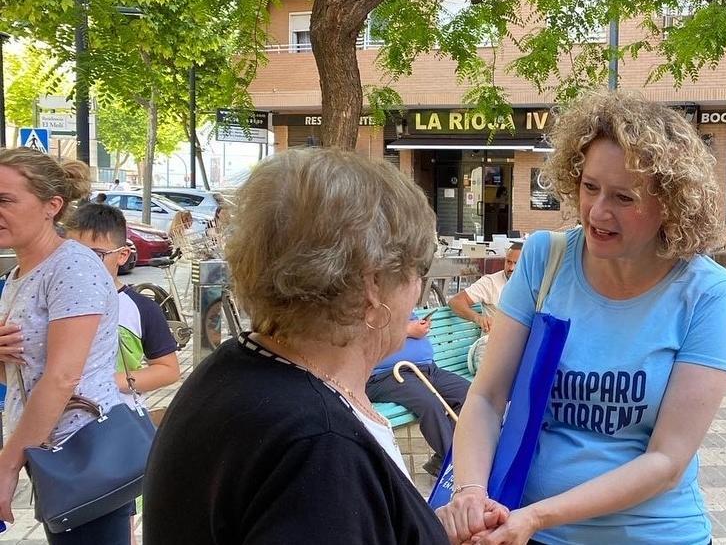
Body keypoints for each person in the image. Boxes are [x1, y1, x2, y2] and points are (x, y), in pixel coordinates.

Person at [437, 92, 726, 544]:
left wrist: (538, 517)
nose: (599, 212)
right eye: (590, 186)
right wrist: (471, 491)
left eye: (624, 197)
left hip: (649, 534)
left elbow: (667, 461)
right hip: (523, 528)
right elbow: (486, 397)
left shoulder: (705, 291)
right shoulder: (545, 258)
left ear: (672, 204)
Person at [144, 149, 473, 543]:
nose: (419, 288)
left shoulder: (235, 368)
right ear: (372, 287)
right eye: (419, 270)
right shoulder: (320, 448)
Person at [0, 149, 128, 543]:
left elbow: (62, 377)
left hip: (85, 453)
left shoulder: (72, 267)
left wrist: (6, 467)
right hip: (48, 451)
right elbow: (18, 372)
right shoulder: (21, 273)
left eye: (5, 200)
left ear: (51, 206)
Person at [64, 204, 181, 404]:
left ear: (122, 255)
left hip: (118, 421)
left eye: (96, 255)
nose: (82, 264)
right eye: (73, 254)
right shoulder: (51, 303)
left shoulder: (142, 308)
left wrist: (107, 382)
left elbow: (168, 370)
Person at [366, 314, 471, 477]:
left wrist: (420, 325)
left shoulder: (401, 302)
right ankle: (456, 468)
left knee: (470, 395)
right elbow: (362, 336)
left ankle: (443, 458)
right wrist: (407, 330)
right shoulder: (365, 305)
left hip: (429, 369)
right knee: (431, 404)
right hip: (388, 374)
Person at [447, 243, 522, 333]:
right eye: (508, 262)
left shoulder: (532, 285)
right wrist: (478, 318)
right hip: (492, 341)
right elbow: (455, 302)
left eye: (516, 263)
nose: (511, 268)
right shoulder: (490, 282)